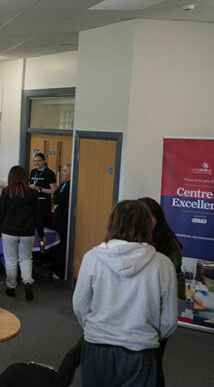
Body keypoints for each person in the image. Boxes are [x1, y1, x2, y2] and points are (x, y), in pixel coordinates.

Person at [73, 200, 177, 387]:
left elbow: (80, 305)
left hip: (97, 347)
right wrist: (147, 335)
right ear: (148, 226)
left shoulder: (92, 258)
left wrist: (95, 328)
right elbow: (169, 320)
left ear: (112, 223)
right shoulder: (163, 264)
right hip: (140, 352)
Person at [138, 197, 186, 387]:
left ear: (157, 218)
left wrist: (170, 310)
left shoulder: (168, 242)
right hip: (139, 309)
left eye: (146, 217)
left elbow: (177, 277)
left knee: (154, 363)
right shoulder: (135, 237)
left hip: (158, 309)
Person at [0, 165, 44, 300]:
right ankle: (28, 282)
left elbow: (1, 213)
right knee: (26, 258)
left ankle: (11, 287)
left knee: (11, 260)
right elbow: (37, 216)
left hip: (9, 231)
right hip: (27, 232)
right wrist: (41, 233)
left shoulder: (6, 192)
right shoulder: (32, 193)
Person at [29, 153, 57, 229]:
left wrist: (39, 188)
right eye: (34, 161)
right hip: (33, 202)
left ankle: (44, 240)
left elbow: (53, 190)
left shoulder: (49, 173)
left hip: (44, 204)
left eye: (39, 161)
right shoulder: (33, 172)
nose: (36, 163)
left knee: (43, 226)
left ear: (44, 161)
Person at [52, 164, 71, 280]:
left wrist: (56, 197)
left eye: (64, 171)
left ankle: (60, 272)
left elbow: (58, 198)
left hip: (64, 218)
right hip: (59, 217)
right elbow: (55, 197)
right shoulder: (64, 184)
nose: (62, 173)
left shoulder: (69, 185)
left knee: (62, 244)